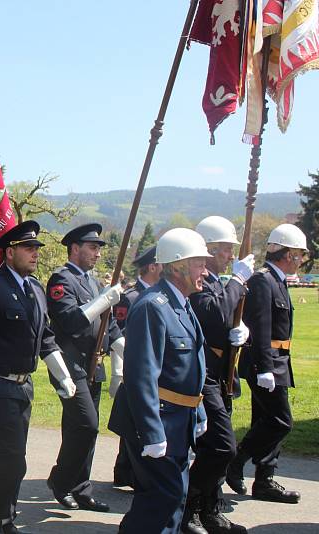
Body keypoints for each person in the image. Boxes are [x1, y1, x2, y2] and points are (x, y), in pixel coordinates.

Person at [0, 221, 76, 534]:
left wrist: (62, 375)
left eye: (37, 248)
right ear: (10, 252)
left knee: (14, 458)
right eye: (28, 248)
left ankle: (2, 516)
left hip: (23, 386)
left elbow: (46, 338)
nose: (35, 253)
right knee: (11, 454)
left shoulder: (36, 288)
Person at [108, 227, 209, 534]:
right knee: (162, 496)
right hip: (159, 421)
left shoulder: (181, 303)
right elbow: (141, 375)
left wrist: (199, 411)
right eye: (198, 263)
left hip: (180, 419)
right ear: (178, 266)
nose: (205, 270)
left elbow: (191, 366)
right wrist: (152, 432)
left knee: (173, 498)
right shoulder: (154, 305)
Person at [181, 216, 253, 534]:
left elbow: (225, 323)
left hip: (221, 374)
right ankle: (190, 508)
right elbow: (214, 317)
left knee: (217, 446)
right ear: (208, 250)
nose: (230, 256)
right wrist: (237, 282)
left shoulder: (214, 282)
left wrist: (240, 333)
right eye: (225, 250)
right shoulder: (198, 282)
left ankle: (209, 509)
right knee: (222, 446)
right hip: (203, 375)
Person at [45, 223, 124, 512]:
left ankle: (80, 489)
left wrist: (124, 352)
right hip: (69, 365)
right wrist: (105, 299)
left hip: (94, 363)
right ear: (75, 248)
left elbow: (109, 327)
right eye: (93, 247)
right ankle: (60, 480)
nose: (97, 254)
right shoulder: (60, 280)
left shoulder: (93, 282)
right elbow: (71, 321)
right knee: (87, 426)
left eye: (99, 248)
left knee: (80, 430)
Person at [227, 223, 308, 505]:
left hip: (278, 360)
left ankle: (264, 479)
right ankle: (236, 460)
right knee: (280, 420)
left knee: (264, 420)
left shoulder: (278, 280)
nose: (300, 260)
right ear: (287, 254)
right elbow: (260, 326)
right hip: (267, 362)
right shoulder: (263, 280)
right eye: (299, 255)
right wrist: (264, 367)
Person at [110, 245, 161, 489]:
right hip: (134, 367)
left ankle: (125, 469)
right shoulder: (131, 298)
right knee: (133, 420)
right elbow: (119, 335)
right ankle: (126, 471)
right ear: (152, 267)